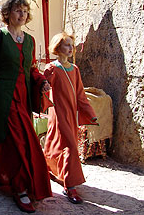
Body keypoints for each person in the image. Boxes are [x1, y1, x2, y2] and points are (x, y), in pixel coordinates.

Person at [0, 0, 52, 213]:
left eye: (25, 11)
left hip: (24, 98)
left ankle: (7, 177)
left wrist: (41, 81)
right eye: (17, 10)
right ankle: (20, 188)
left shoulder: (30, 40)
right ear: (7, 13)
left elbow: (31, 68)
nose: (21, 14)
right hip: (5, 96)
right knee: (17, 141)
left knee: (22, 139)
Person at [43, 32, 98, 204]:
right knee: (70, 147)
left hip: (71, 114)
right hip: (58, 113)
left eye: (71, 45)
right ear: (58, 47)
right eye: (66, 45)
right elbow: (43, 90)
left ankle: (50, 169)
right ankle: (70, 185)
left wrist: (90, 113)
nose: (70, 48)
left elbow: (80, 94)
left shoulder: (75, 69)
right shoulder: (51, 69)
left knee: (57, 143)